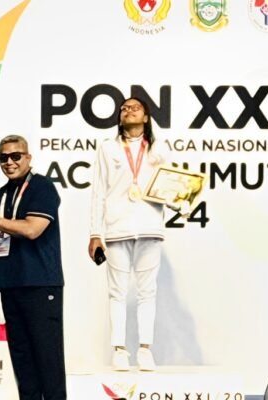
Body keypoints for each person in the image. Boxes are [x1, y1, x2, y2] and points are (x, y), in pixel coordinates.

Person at [0, 135, 66, 400]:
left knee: (48, 361)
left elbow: (33, 229)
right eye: (4, 157)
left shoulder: (42, 186)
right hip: (9, 284)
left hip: (40, 283)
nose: (9, 162)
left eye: (16, 156)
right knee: (23, 364)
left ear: (28, 158)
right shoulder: (0, 194)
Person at [88, 97, 167, 371]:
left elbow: (173, 183)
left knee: (147, 292)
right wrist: (95, 233)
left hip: (150, 227)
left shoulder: (159, 147)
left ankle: (145, 349)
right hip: (116, 228)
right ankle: (119, 349)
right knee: (117, 293)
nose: (128, 110)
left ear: (146, 117)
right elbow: (99, 191)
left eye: (135, 108)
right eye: (124, 108)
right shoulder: (108, 148)